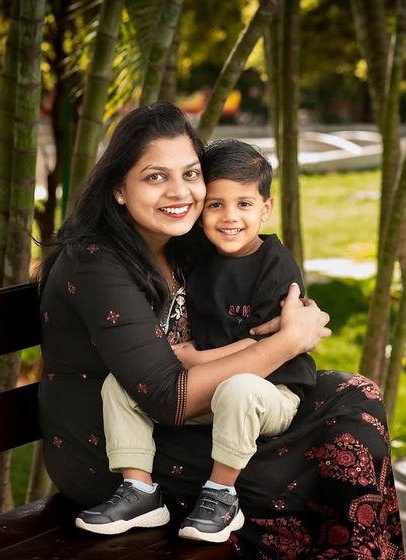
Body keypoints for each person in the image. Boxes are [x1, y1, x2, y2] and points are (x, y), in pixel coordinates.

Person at [38, 102, 403, 558]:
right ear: (118, 188)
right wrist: (288, 341)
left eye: (191, 174)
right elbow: (165, 396)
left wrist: (294, 311)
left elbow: (255, 281)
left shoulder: (183, 242)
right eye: (155, 177)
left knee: (355, 398)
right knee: (317, 462)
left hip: (190, 417)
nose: (180, 191)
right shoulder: (95, 262)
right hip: (120, 455)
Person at [75, 138, 317, 544]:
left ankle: (222, 496)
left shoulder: (275, 264)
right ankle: (140, 491)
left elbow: (267, 343)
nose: (229, 217)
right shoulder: (200, 258)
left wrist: (195, 357)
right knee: (119, 386)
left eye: (244, 204)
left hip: (269, 392)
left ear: (266, 208)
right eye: (215, 204)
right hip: (210, 388)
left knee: (240, 388)